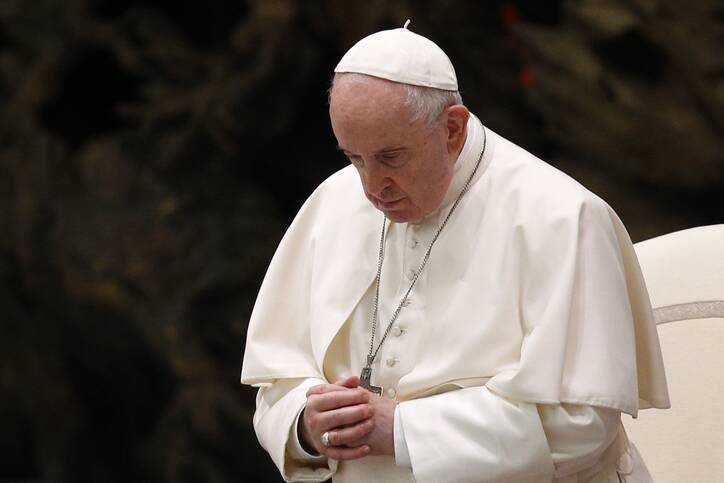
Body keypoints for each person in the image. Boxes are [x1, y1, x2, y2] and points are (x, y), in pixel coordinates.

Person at [241, 23, 670, 483]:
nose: (370, 188)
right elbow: (275, 382)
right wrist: (308, 425)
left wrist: (402, 430)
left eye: (390, 157)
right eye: (354, 158)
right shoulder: (332, 203)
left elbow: (581, 425)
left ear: (451, 128)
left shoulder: (564, 218)